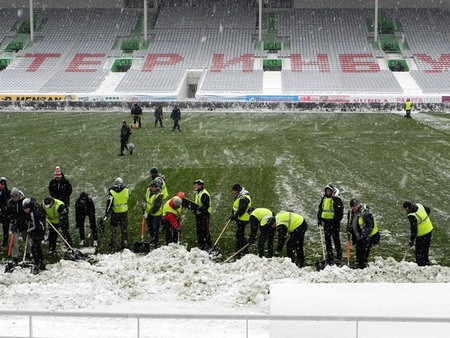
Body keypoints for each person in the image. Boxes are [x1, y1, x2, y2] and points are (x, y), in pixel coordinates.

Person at [348, 198, 380, 269]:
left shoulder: (365, 213)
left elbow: (370, 225)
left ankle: (363, 267)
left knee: (364, 252)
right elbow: (353, 223)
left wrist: (363, 236)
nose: (353, 208)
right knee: (359, 251)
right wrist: (350, 229)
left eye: (354, 206)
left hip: (371, 236)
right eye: (352, 206)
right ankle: (360, 265)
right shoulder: (353, 213)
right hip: (361, 236)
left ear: (358, 205)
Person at [317, 183, 344, 264]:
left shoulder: (336, 199)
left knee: (336, 239)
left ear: (332, 191)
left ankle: (339, 255)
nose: (328, 192)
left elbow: (340, 212)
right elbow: (320, 209)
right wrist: (319, 219)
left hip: (334, 223)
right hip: (326, 223)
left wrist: (335, 220)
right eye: (327, 191)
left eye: (329, 191)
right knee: (327, 239)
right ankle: (329, 255)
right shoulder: (324, 199)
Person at [403, 201, 433, 266]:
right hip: (429, 229)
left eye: (405, 210)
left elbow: (414, 230)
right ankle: (426, 262)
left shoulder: (412, 216)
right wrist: (424, 220)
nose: (405, 212)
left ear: (407, 208)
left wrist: (411, 241)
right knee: (425, 249)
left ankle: (421, 265)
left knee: (419, 251)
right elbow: (428, 210)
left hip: (422, 234)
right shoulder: (419, 206)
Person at [6, 187, 31, 264]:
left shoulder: (23, 202)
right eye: (13, 197)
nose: (14, 199)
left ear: (18, 196)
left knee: (26, 239)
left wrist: (21, 219)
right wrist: (12, 219)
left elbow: (26, 213)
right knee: (14, 241)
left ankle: (28, 253)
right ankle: (15, 257)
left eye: (16, 197)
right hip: (14, 225)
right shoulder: (10, 203)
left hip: (23, 224)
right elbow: (8, 214)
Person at [105, 177, 130, 250]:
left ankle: (112, 241)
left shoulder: (112, 191)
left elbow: (109, 204)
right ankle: (124, 242)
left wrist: (107, 214)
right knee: (124, 229)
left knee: (113, 228)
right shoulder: (126, 190)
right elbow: (128, 196)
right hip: (124, 212)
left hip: (115, 213)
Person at [22, 198, 46, 274]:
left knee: (34, 248)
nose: (25, 210)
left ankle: (37, 262)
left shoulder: (34, 213)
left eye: (26, 208)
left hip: (39, 231)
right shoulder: (36, 207)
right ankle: (41, 261)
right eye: (24, 208)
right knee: (37, 247)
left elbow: (36, 226)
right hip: (39, 229)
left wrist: (28, 231)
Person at [229, 183, 252, 255]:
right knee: (240, 235)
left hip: (243, 219)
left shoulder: (244, 198)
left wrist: (235, 216)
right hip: (240, 218)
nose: (233, 193)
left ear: (238, 191)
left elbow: (241, 210)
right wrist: (233, 214)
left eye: (234, 191)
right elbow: (236, 207)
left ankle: (240, 251)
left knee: (239, 235)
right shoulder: (240, 196)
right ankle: (242, 250)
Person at [192, 179, 212, 251]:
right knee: (199, 231)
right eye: (195, 185)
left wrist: (198, 210)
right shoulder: (199, 193)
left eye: (197, 185)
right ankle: (202, 245)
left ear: (201, 185)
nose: (195, 186)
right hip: (199, 215)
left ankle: (207, 245)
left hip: (204, 215)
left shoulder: (204, 194)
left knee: (204, 230)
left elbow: (206, 206)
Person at [144, 181, 164, 249]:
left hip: (157, 215)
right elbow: (146, 199)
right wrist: (144, 205)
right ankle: (153, 239)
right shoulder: (148, 191)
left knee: (156, 229)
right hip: (149, 213)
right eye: (151, 187)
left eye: (154, 187)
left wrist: (149, 213)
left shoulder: (159, 195)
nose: (152, 188)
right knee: (150, 227)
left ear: (157, 187)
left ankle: (155, 242)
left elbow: (156, 206)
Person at [0, 176, 11, 248]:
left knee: (6, 229)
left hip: (5, 214)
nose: (1, 185)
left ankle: (5, 243)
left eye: (2, 184)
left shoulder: (8, 193)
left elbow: (9, 203)